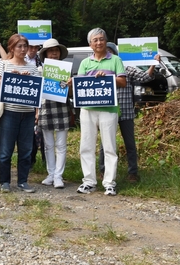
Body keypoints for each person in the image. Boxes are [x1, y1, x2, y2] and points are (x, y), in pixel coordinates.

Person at [98, 42, 160, 183]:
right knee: (105, 144)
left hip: (125, 112)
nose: (108, 55)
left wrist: (153, 63)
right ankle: (103, 171)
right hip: (107, 112)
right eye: (106, 52)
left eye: (111, 52)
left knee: (130, 144)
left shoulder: (126, 69)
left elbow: (146, 77)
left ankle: (133, 173)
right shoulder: (99, 70)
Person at [77, 28, 126, 196]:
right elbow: (80, 84)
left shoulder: (116, 60)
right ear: (90, 44)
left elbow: (123, 81)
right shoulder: (85, 63)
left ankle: (109, 182)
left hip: (108, 109)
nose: (99, 42)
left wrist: (107, 78)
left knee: (110, 146)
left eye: (101, 39)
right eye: (95, 40)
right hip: (88, 109)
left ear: (106, 41)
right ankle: (89, 181)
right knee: (86, 145)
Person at [0, 33, 39, 193]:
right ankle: (4, 181)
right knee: (6, 150)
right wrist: (11, 75)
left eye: (25, 46)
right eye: (19, 46)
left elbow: (37, 91)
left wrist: (37, 112)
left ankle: (23, 181)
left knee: (26, 150)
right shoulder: (3, 65)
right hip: (9, 113)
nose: (23, 49)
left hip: (28, 113)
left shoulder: (33, 67)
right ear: (11, 47)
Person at [37, 38, 71, 189]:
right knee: (48, 145)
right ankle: (51, 174)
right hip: (45, 108)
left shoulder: (65, 70)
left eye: (56, 51)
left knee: (61, 144)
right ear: (45, 54)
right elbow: (36, 93)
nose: (54, 54)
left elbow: (69, 92)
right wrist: (36, 111)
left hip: (62, 107)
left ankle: (58, 175)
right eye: (51, 51)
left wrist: (69, 84)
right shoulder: (39, 70)